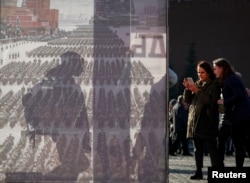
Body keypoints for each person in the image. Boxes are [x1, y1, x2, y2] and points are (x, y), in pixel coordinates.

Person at [183, 60, 221, 179]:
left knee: (211, 148)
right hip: (195, 121)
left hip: (207, 120)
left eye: (202, 72)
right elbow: (188, 101)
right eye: (198, 72)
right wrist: (188, 88)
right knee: (197, 149)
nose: (200, 75)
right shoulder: (197, 83)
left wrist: (197, 91)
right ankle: (198, 171)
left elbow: (211, 101)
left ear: (208, 73)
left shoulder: (214, 85)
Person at [213, 58, 250, 168]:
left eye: (215, 69)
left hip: (239, 117)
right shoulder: (229, 79)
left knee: (239, 144)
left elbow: (238, 95)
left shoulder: (231, 79)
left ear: (222, 68)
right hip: (237, 116)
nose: (214, 71)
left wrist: (224, 102)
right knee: (239, 143)